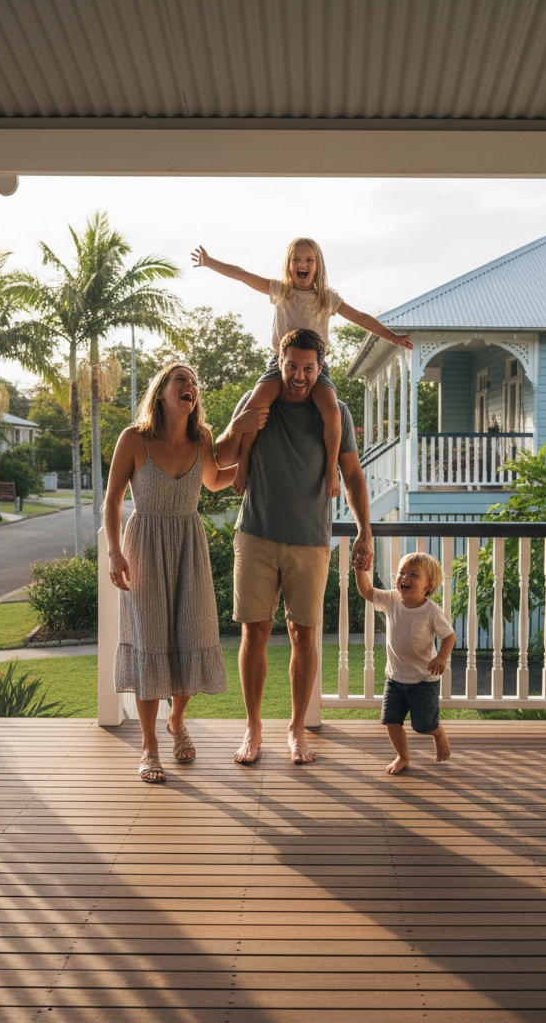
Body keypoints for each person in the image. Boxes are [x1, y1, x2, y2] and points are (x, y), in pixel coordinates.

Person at [214, 327, 374, 765]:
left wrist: (365, 529)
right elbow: (220, 458)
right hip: (257, 534)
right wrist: (237, 423)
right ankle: (253, 728)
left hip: (310, 542)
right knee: (255, 632)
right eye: (291, 366)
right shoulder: (257, 401)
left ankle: (296, 729)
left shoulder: (333, 411)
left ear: (320, 368)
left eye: (308, 368)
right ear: (278, 363)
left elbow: (353, 476)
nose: (299, 376)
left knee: (305, 636)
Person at [104, 363, 267, 783]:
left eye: (194, 382)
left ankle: (176, 720)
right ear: (161, 392)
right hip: (143, 548)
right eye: (182, 380)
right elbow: (112, 501)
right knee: (150, 644)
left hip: (187, 548)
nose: (190, 386)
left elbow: (213, 481)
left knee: (193, 637)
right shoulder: (134, 439)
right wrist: (113, 552)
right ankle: (149, 745)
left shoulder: (202, 440)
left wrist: (253, 461)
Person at [191, 237, 412, 499]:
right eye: (296, 259)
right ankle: (244, 465)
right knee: (256, 404)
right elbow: (243, 275)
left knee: (331, 410)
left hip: (316, 368)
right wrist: (209, 262)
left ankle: (331, 469)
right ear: (289, 264)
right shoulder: (280, 290)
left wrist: (392, 337)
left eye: (308, 260)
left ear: (317, 266)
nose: (302, 264)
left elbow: (360, 317)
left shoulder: (326, 298)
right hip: (280, 364)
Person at [355, 552, 455, 775]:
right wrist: (359, 569)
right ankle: (403, 756)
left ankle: (438, 733)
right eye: (401, 572)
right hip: (395, 678)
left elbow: (449, 636)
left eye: (413, 574)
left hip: (423, 680)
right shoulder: (391, 600)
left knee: (423, 725)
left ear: (427, 586)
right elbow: (367, 592)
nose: (404, 577)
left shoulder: (432, 611)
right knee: (391, 720)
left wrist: (441, 657)